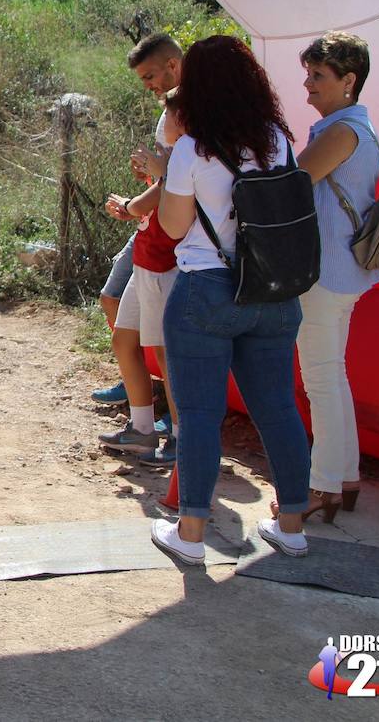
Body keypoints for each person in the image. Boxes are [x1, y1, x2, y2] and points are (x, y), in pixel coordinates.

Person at [137, 35, 313, 564]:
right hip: (272, 289)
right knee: (279, 407)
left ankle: (190, 534)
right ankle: (294, 527)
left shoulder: (193, 148)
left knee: (197, 413)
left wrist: (163, 179)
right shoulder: (277, 139)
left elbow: (172, 225)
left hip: (206, 288)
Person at [293, 32, 379, 520]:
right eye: (308, 74)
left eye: (318, 76)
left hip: (325, 275)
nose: (307, 85)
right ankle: (343, 479)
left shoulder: (341, 131)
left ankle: (324, 485)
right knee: (332, 376)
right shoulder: (353, 127)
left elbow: (292, 185)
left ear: (349, 81)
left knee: (322, 381)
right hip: (341, 273)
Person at [90, 34, 182, 410]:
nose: (146, 85)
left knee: (163, 342)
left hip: (166, 229)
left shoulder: (190, 107)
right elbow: (167, 173)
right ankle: (142, 388)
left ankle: (163, 407)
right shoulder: (170, 104)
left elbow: (177, 178)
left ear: (173, 65)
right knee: (112, 298)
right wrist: (148, 175)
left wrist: (132, 206)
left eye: (149, 76)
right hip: (151, 221)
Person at [100, 89, 185, 467]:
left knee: (168, 356)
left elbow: (171, 193)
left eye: (168, 113)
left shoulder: (194, 154)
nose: (162, 120)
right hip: (147, 258)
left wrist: (130, 206)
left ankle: (182, 438)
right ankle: (142, 430)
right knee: (124, 338)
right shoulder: (173, 155)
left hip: (165, 263)